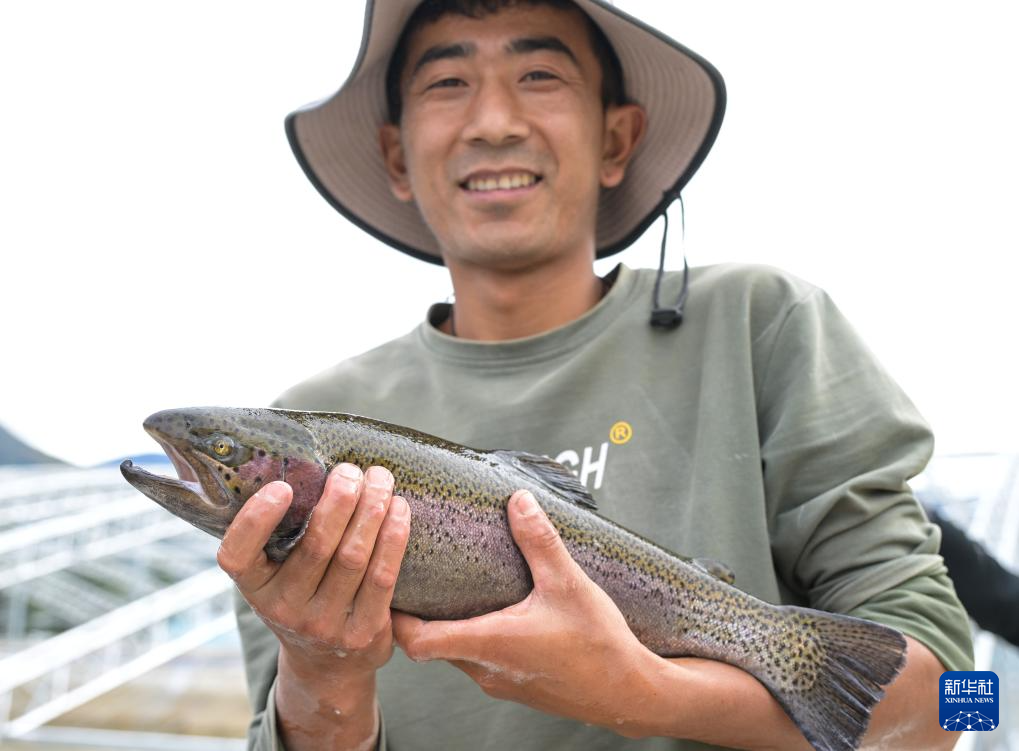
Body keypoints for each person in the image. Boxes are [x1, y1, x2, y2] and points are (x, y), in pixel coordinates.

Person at [218, 1, 975, 749]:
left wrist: (646, 695)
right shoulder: (308, 423)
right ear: (396, 155)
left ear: (617, 139)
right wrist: (321, 672)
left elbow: (965, 702)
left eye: (539, 75)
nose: (493, 121)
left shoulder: (761, 323)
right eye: (447, 83)